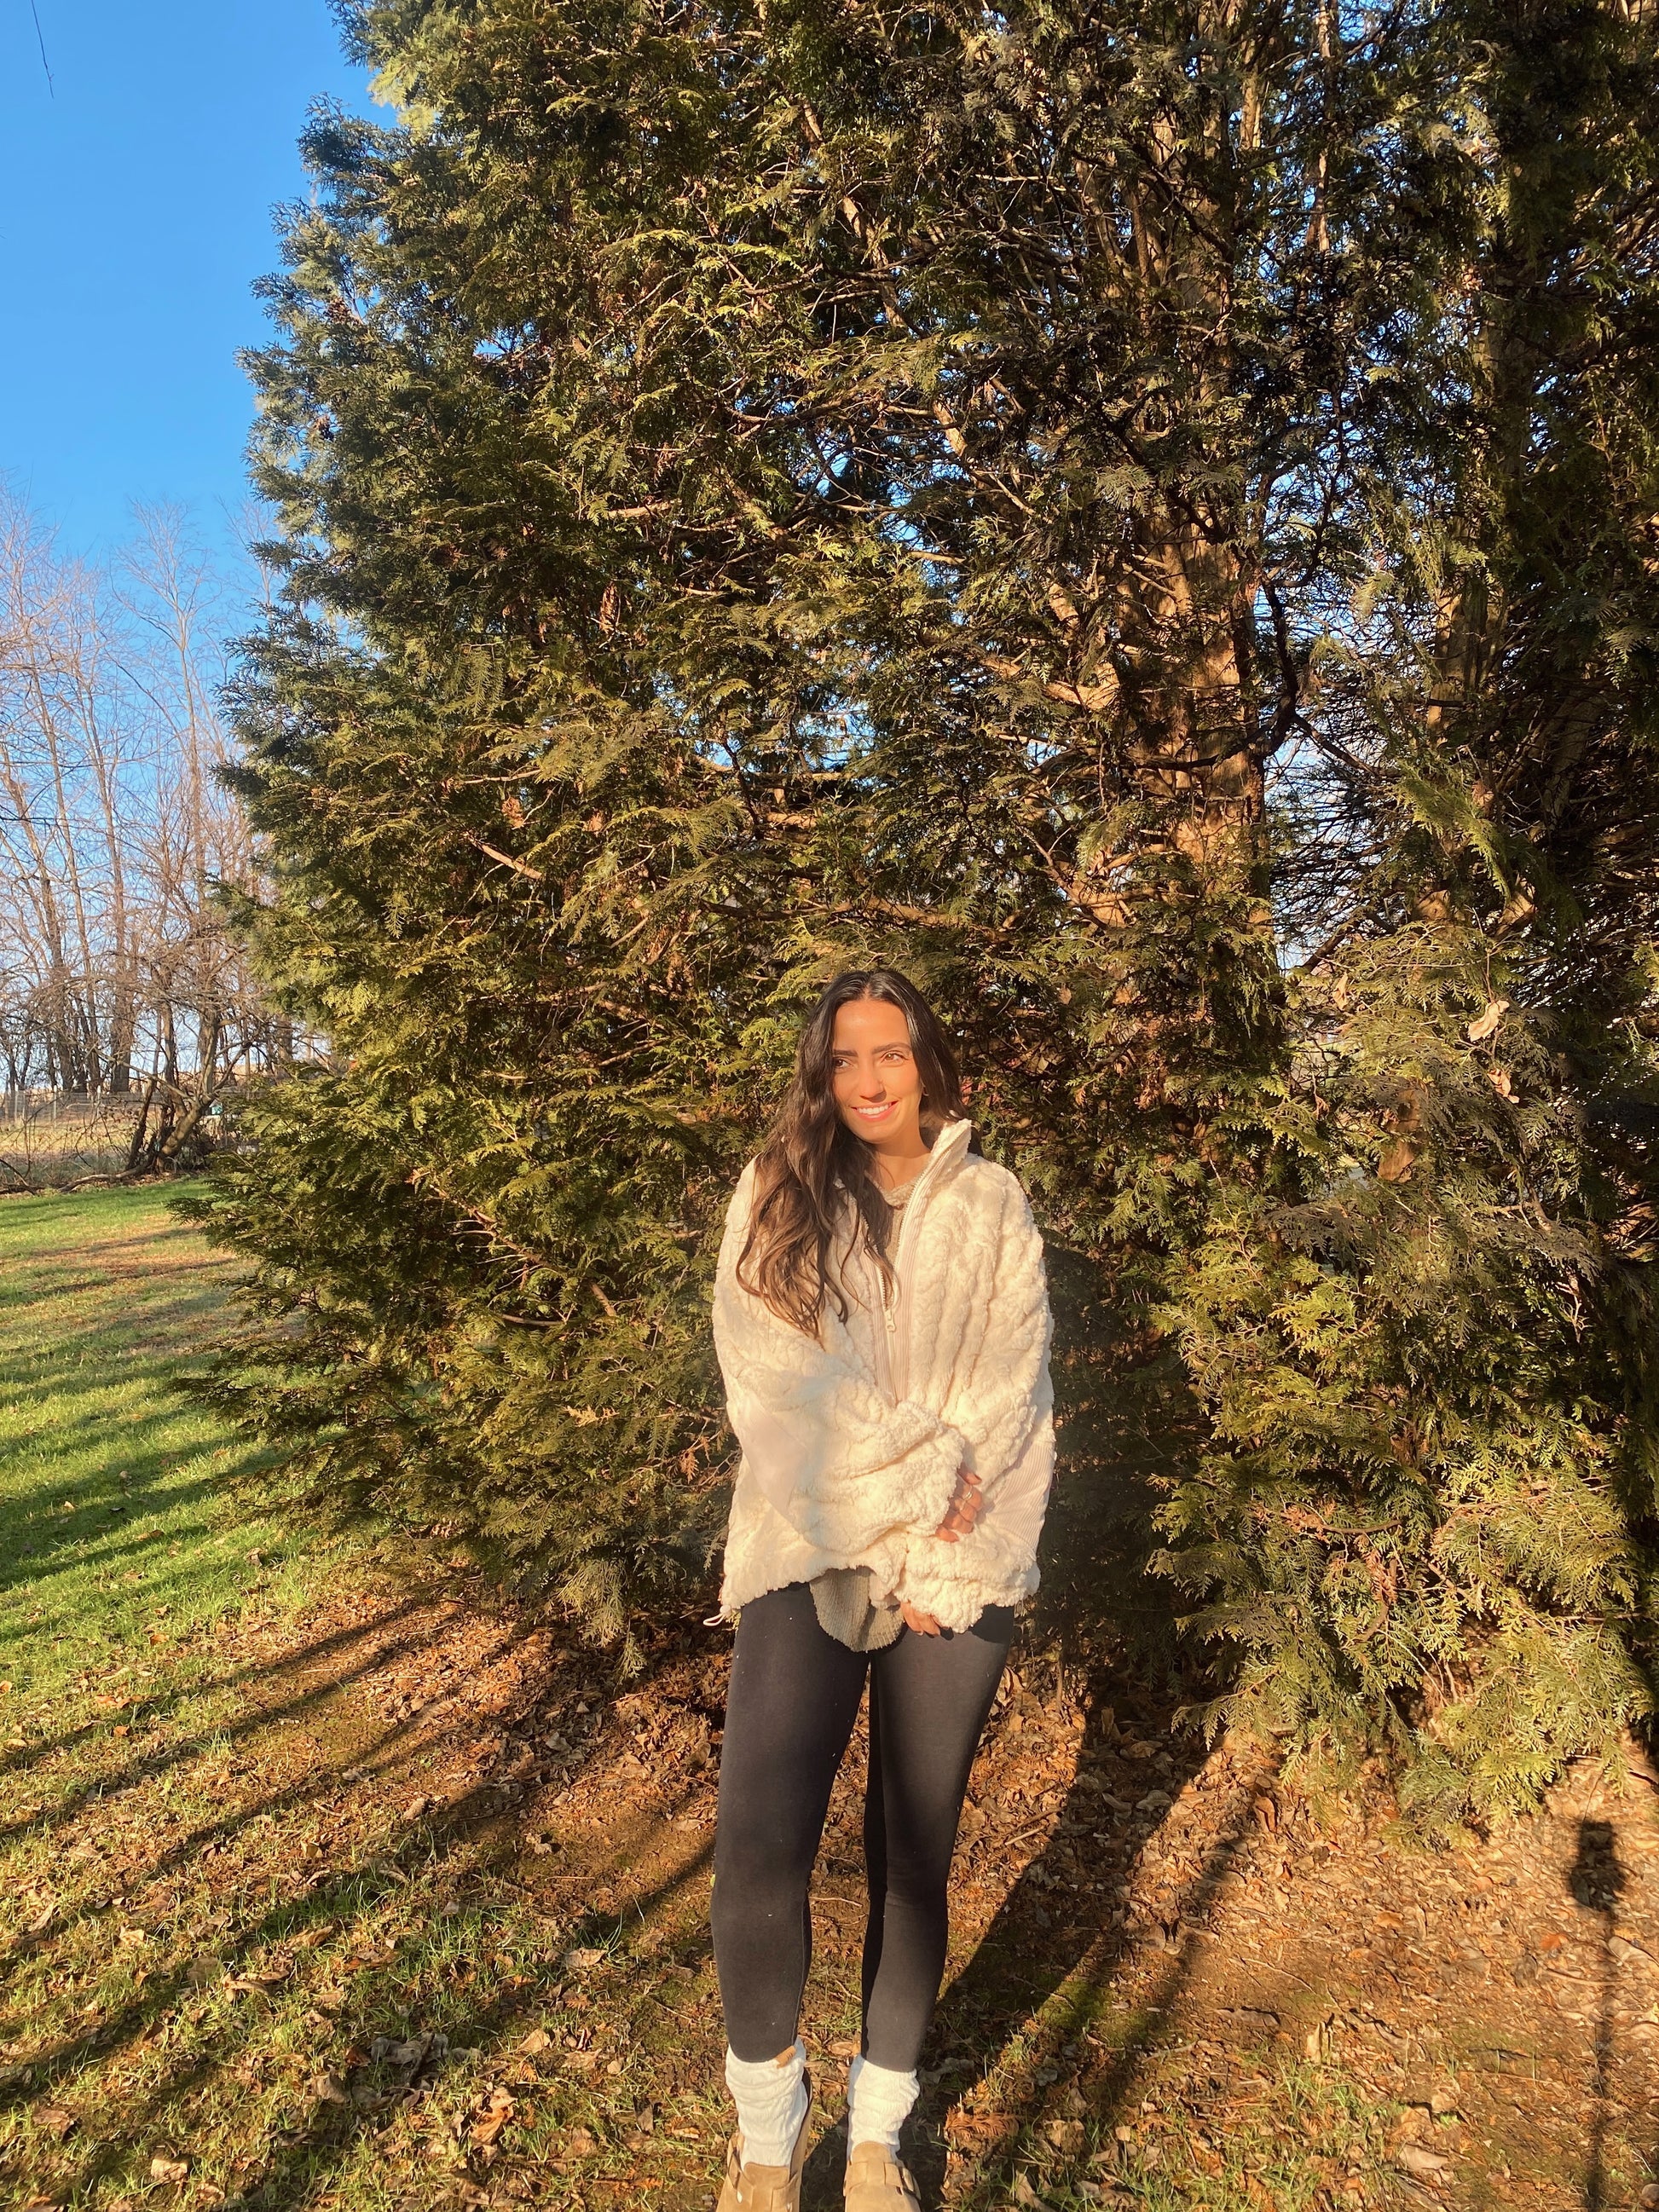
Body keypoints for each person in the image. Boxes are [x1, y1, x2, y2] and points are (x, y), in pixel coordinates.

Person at [707, 967, 1055, 2211]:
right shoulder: (778, 1192)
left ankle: (872, 2143)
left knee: (914, 1860)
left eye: (890, 1053)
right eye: (846, 1057)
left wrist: (935, 1560)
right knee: (758, 1854)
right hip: (807, 1548)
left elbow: (1012, 1393)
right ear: (821, 1071)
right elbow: (773, 1387)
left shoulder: (992, 1203)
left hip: (957, 1567)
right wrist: (906, 1494)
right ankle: (765, 2147)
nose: (867, 1080)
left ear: (929, 1064)